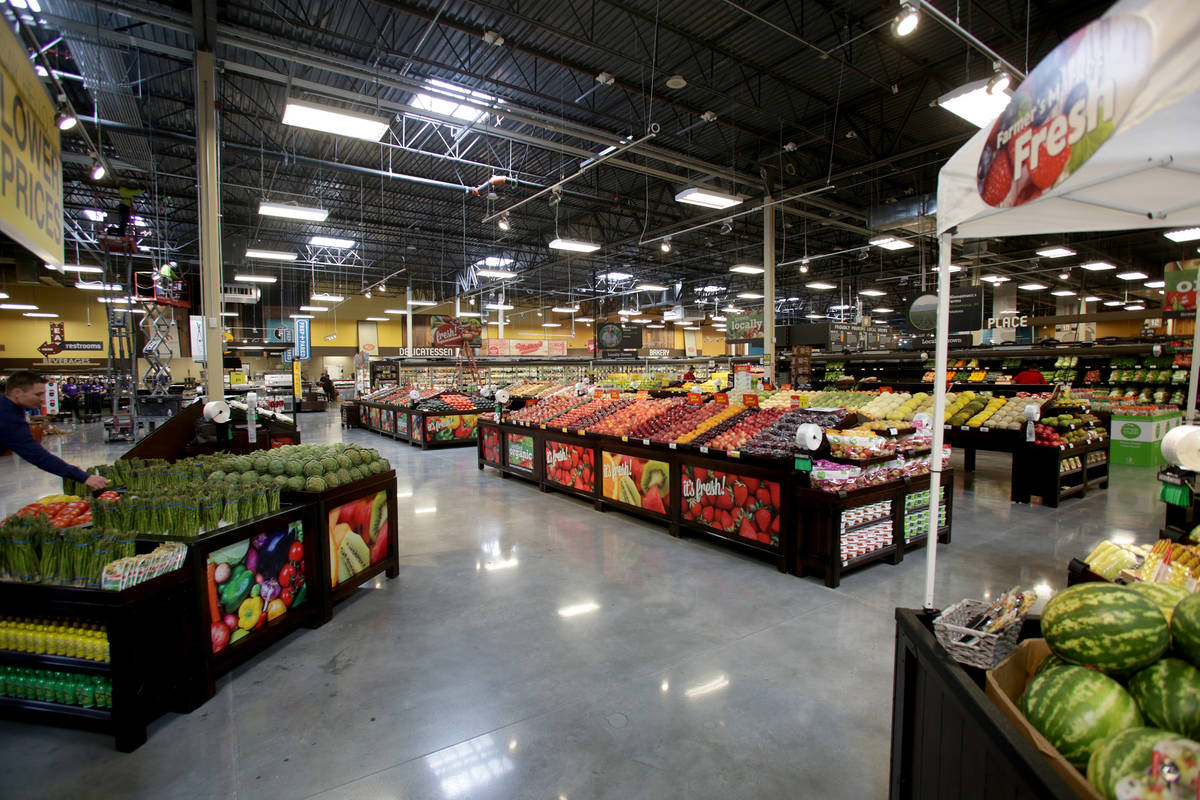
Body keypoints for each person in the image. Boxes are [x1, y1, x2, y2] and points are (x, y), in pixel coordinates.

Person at [0, 372, 108, 491]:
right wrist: (84, 477)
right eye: (38, 394)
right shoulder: (7, 416)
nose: (42, 399)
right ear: (17, 393)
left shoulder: (10, 408)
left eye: (44, 394)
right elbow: (37, 455)